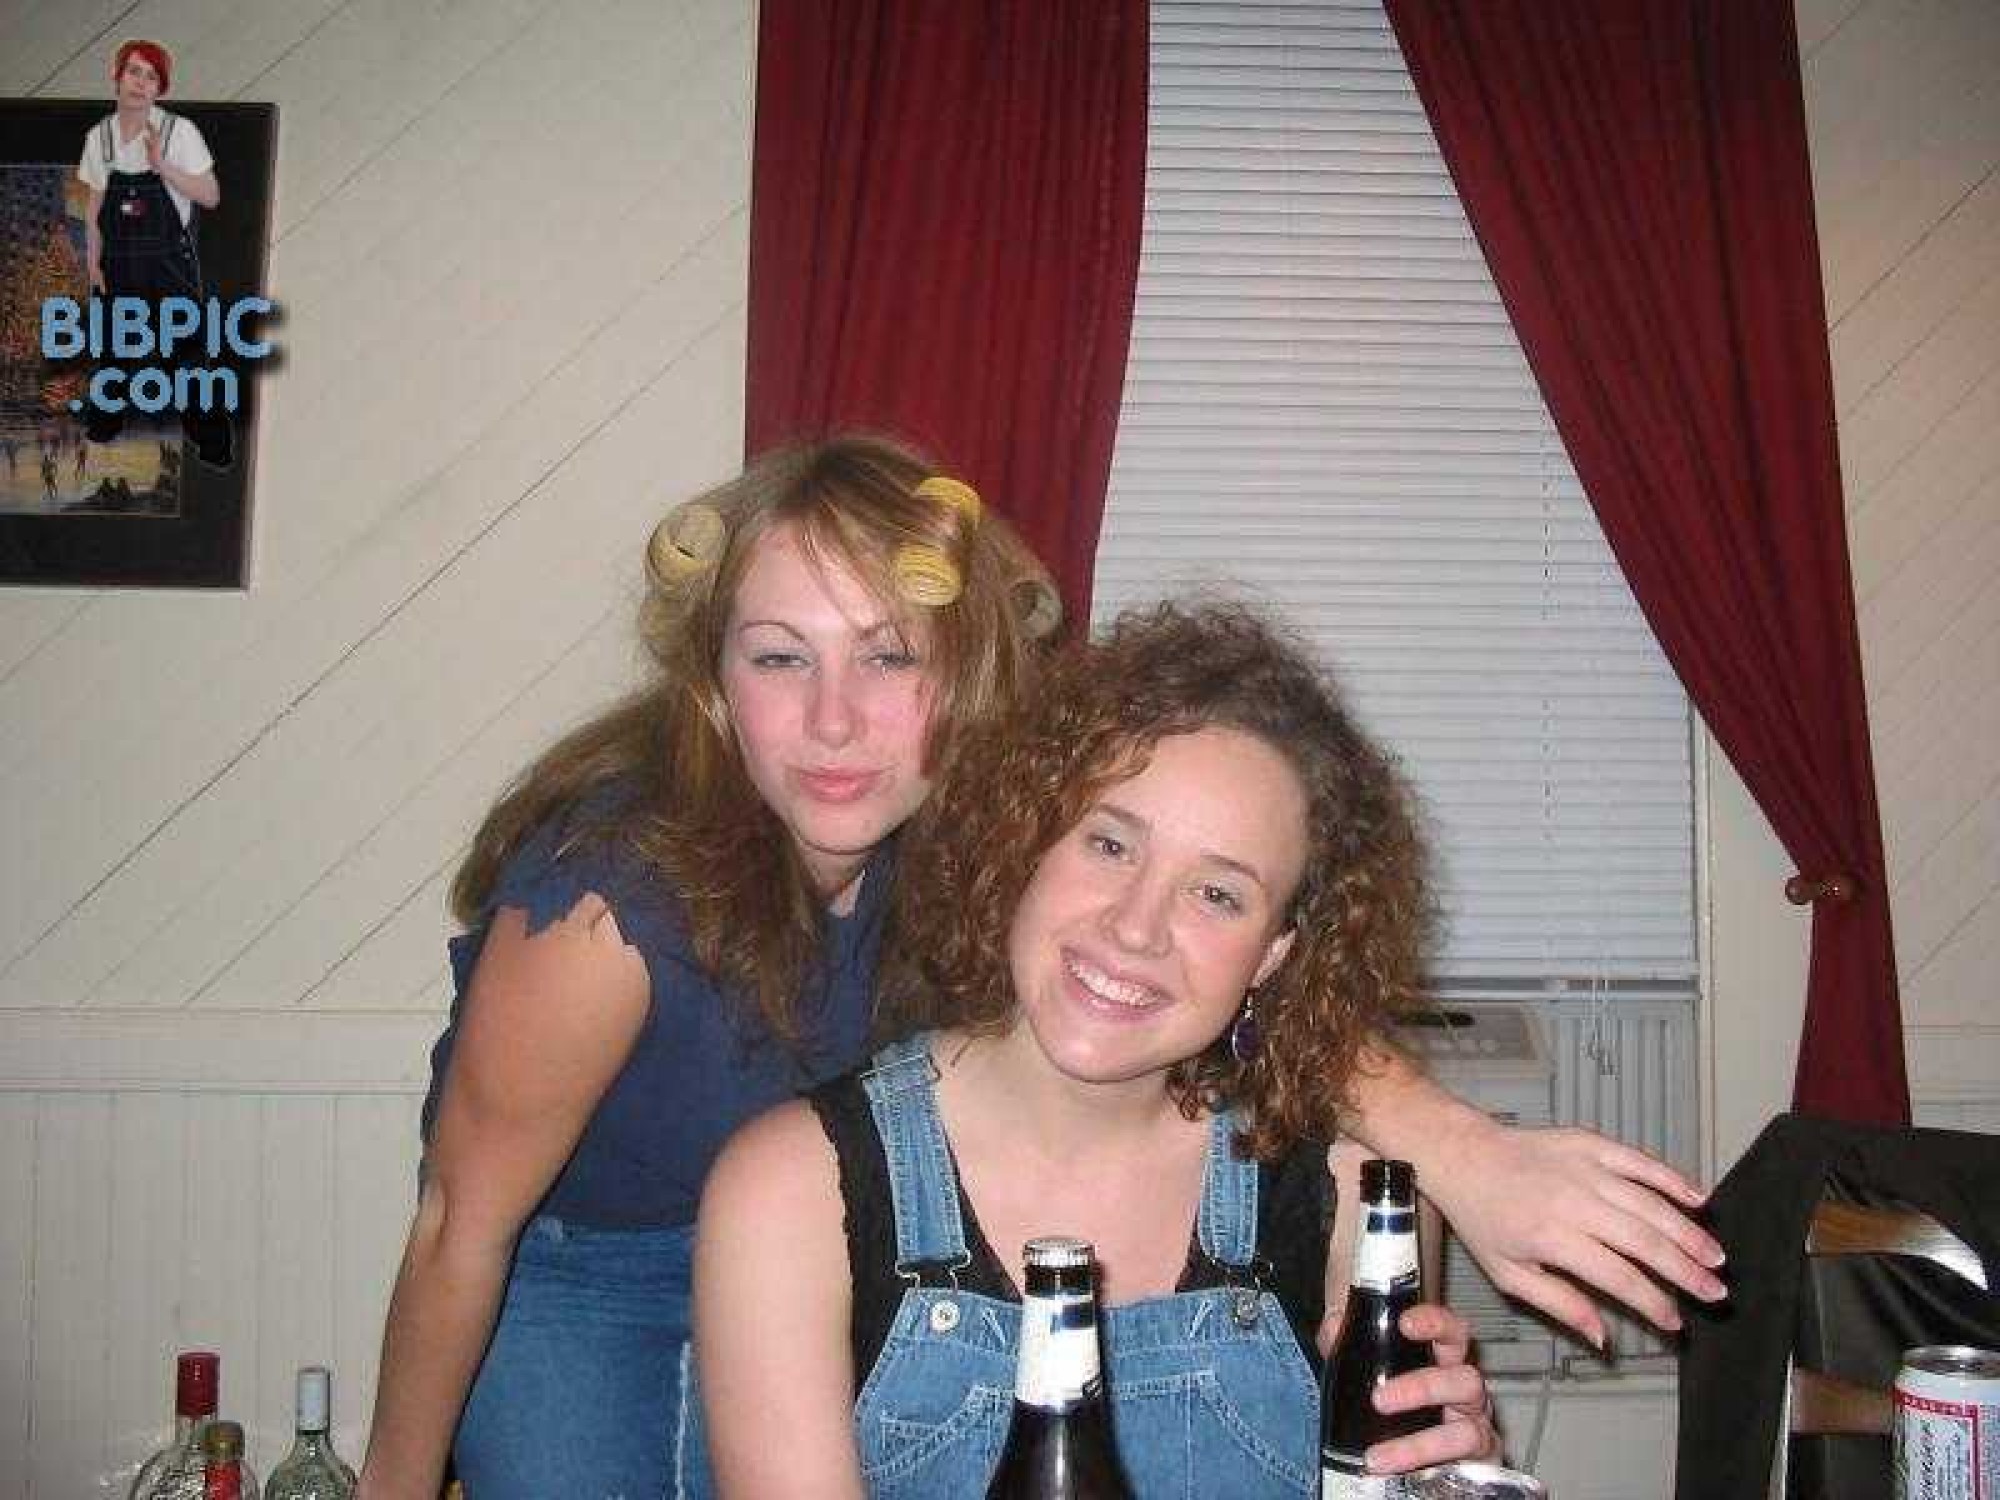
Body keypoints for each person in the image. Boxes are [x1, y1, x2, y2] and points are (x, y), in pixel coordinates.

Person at [357, 436, 1724, 1500]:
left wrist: (1462, 1154)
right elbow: (456, 1227)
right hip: (589, 1267)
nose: (834, 722)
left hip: (825, 1252)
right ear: (712, 681)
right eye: (779, 658)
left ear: (959, 677)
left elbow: (1232, 982)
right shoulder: (606, 909)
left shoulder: (976, 821)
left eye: (887, 658)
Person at [695, 602, 1496, 1496]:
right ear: (1028, 841)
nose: (1136, 927)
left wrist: (1442, 1473)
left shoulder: (1359, 1195)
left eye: (1218, 895)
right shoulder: (794, 1191)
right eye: (1110, 844)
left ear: (1274, 954)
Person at [74, 38, 233, 467]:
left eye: (151, 76)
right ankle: (103, 427)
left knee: (186, 355)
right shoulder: (99, 138)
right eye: (133, 71)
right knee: (112, 347)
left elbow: (211, 195)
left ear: (160, 88)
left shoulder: (180, 132)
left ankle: (212, 442)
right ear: (117, 76)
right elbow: (94, 207)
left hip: (167, 264)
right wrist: (93, 261)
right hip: (117, 262)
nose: (140, 83)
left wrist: (162, 166)